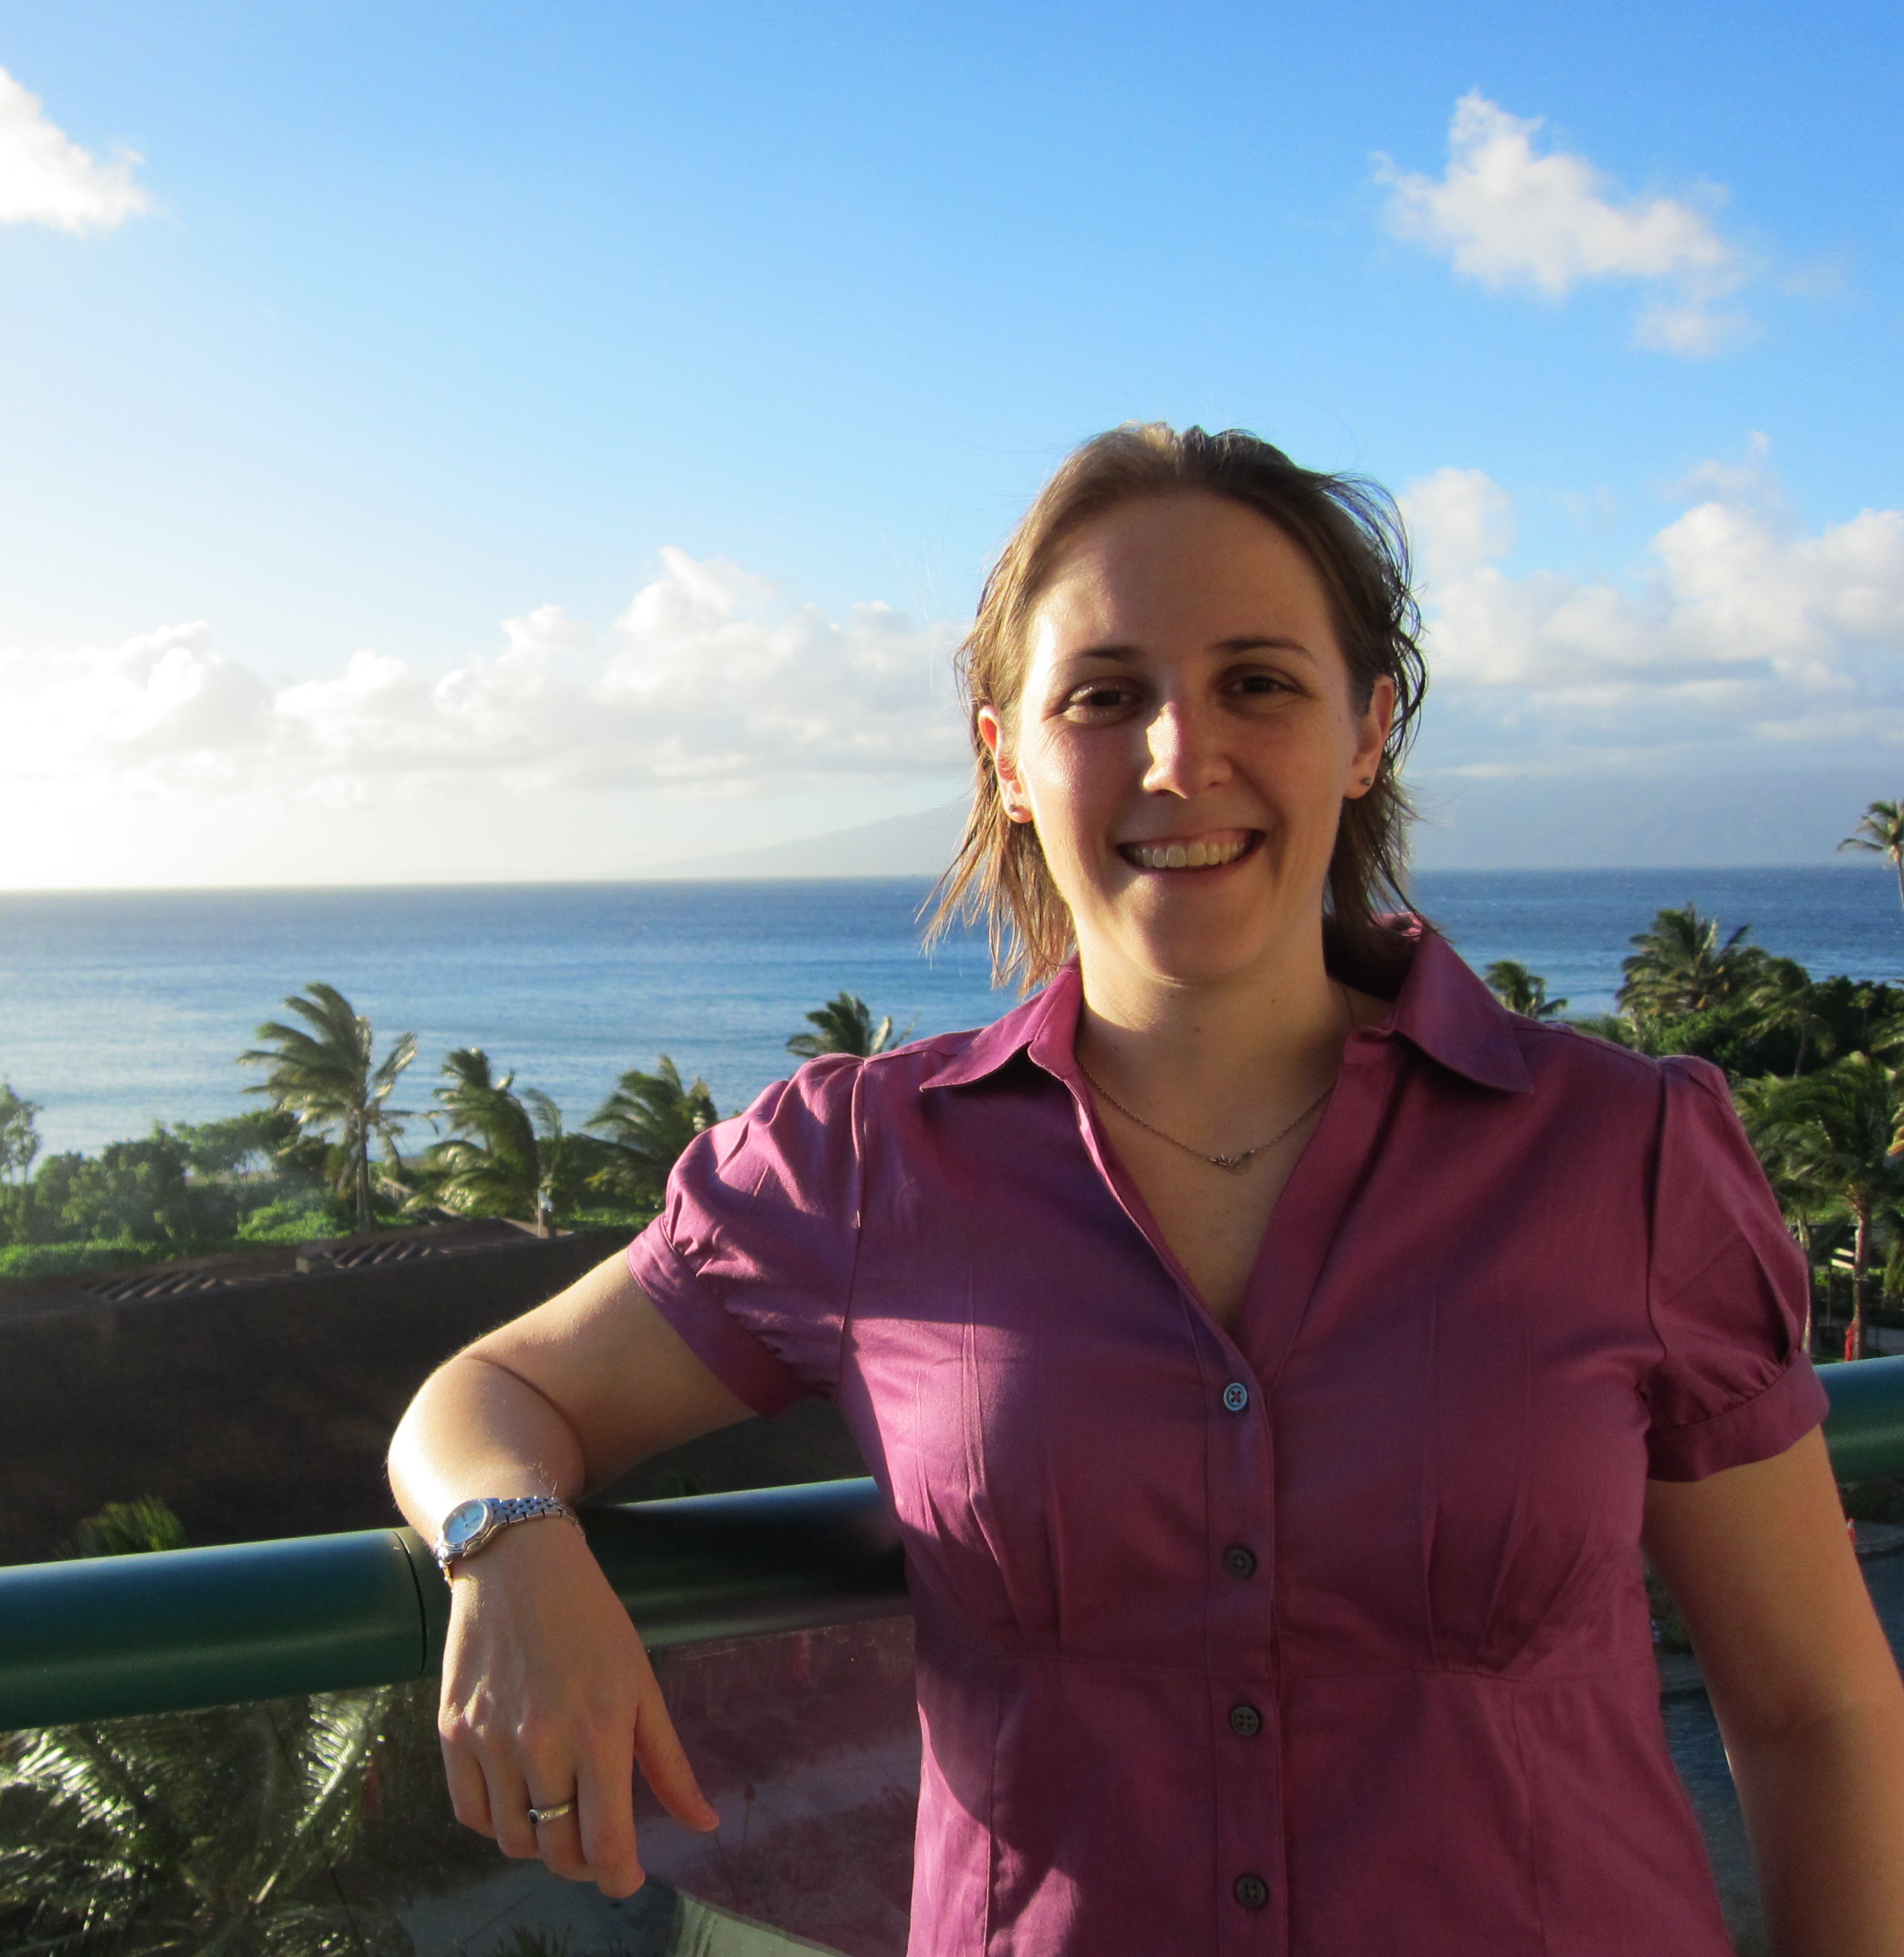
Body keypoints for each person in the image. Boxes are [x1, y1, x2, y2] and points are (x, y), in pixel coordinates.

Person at [386, 424, 1904, 1956]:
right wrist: (509, 1547)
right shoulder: (863, 1164)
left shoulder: (1622, 1153)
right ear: (1008, 759)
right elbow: (494, 1394)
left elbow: (1812, 1704)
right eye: (1106, 697)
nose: (1182, 758)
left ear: (1368, 729)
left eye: (1260, 683)